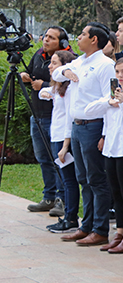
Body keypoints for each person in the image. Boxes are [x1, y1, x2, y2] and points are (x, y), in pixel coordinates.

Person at [53, 22, 115, 246]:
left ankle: (100, 229)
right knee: (83, 179)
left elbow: (111, 99)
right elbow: (58, 73)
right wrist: (66, 70)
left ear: (94, 40)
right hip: (77, 126)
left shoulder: (105, 65)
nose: (78, 38)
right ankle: (86, 225)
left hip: (94, 126)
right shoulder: (79, 61)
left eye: (82, 35)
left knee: (97, 179)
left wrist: (105, 134)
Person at [84, 57, 123, 253]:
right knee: (116, 194)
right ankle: (119, 233)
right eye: (117, 72)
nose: (120, 76)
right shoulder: (112, 95)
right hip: (111, 149)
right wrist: (109, 103)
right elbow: (89, 110)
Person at [23, 26, 72, 216]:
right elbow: (31, 76)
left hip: (56, 116)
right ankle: (49, 196)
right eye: (45, 37)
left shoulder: (68, 59)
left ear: (62, 42)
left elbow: (66, 86)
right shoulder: (38, 55)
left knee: (58, 159)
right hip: (38, 114)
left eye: (51, 38)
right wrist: (25, 78)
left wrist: (42, 85)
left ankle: (62, 198)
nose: (46, 40)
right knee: (43, 157)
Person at [40, 50, 81, 234]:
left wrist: (65, 146)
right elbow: (43, 92)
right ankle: (68, 216)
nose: (50, 66)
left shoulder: (70, 89)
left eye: (54, 63)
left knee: (69, 180)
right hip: (56, 137)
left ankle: (71, 217)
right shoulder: (58, 87)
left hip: (64, 139)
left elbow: (68, 119)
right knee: (65, 179)